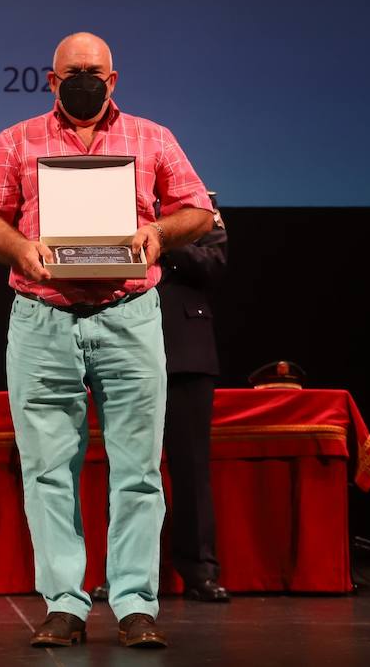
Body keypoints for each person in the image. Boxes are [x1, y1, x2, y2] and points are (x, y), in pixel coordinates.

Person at [0, 32, 213, 649]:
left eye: (94, 71)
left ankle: (134, 604)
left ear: (114, 79)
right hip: (41, 316)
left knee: (138, 470)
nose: (83, 78)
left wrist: (159, 231)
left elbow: (198, 210)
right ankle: (65, 603)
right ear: (51, 81)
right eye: (71, 71)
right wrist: (21, 248)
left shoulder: (153, 137)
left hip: (128, 314)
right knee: (48, 469)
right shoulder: (15, 139)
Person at [158, 193, 229, 602]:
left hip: (185, 348)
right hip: (124, 345)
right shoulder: (114, 199)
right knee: (129, 471)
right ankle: (124, 574)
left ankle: (199, 571)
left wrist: (162, 237)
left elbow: (214, 264)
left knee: (191, 469)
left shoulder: (199, 206)